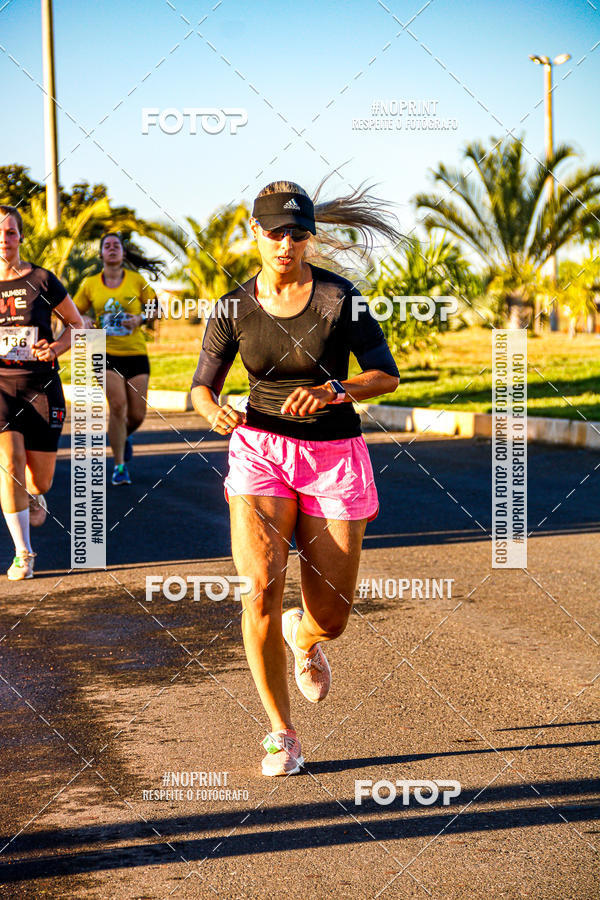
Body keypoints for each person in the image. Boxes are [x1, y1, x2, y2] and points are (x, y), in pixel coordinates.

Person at [191, 180, 400, 776]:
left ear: (309, 238)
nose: (285, 243)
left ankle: (302, 638)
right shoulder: (233, 307)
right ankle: (281, 732)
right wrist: (214, 412)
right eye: (275, 232)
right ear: (254, 233)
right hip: (260, 451)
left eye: (298, 233)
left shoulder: (340, 298)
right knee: (258, 587)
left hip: (334, 455)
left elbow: (385, 376)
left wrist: (336, 390)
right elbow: (201, 387)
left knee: (331, 615)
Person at [0, 205, 83, 580]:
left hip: (41, 385)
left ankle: (35, 494)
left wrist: (56, 347)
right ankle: (23, 553)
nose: (4, 239)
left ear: (20, 237)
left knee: (39, 481)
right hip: (0, 385)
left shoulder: (42, 280)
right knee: (10, 461)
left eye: (11, 232)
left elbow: (77, 326)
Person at [74, 233, 160, 485]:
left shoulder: (136, 280)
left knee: (137, 415)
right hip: (104, 352)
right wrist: (84, 321)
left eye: (116, 246)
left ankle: (123, 436)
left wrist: (140, 319)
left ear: (122, 253)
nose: (111, 249)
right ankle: (120, 467)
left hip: (135, 352)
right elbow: (72, 313)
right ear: (101, 254)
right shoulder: (90, 284)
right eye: (106, 246)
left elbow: (157, 308)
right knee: (118, 406)